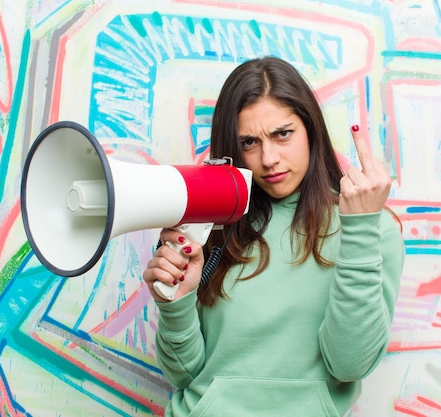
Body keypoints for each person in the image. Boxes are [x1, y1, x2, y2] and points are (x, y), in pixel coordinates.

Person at [142, 56, 405, 417]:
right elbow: (183, 374)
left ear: (310, 129)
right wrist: (176, 304)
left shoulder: (371, 229)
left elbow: (349, 365)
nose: (268, 158)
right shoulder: (209, 227)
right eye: (249, 142)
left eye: (283, 134)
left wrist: (359, 229)